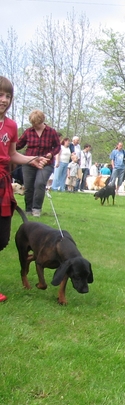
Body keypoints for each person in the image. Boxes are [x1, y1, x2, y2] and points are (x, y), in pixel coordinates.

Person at [0, 76, 48, 302]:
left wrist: (31, 159)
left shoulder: (11, 125)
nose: (4, 99)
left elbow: (11, 154)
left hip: (2, 182)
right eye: (0, 95)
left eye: (8, 96)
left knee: (2, 238)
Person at [16, 109, 60, 217]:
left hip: (45, 163)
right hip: (29, 162)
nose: (35, 126)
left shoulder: (51, 132)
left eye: (37, 123)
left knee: (39, 183)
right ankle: (28, 209)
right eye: (33, 124)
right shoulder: (28, 132)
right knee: (28, 186)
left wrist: (51, 154)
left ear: (42, 121)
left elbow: (58, 147)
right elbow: (18, 145)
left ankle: (36, 209)